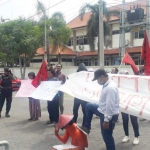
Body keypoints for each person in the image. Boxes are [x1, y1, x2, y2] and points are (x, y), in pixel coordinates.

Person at [77, 69, 119, 150]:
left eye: (97, 79)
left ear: (102, 77)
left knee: (107, 137)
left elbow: (110, 106)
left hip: (108, 115)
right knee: (89, 106)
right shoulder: (107, 85)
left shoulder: (110, 88)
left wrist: (106, 120)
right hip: (102, 110)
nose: (97, 82)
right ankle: (87, 127)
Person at [119, 70, 140, 144]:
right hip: (124, 104)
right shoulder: (120, 84)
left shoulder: (132, 83)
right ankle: (126, 135)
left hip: (132, 104)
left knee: (134, 120)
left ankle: (136, 136)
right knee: (125, 120)